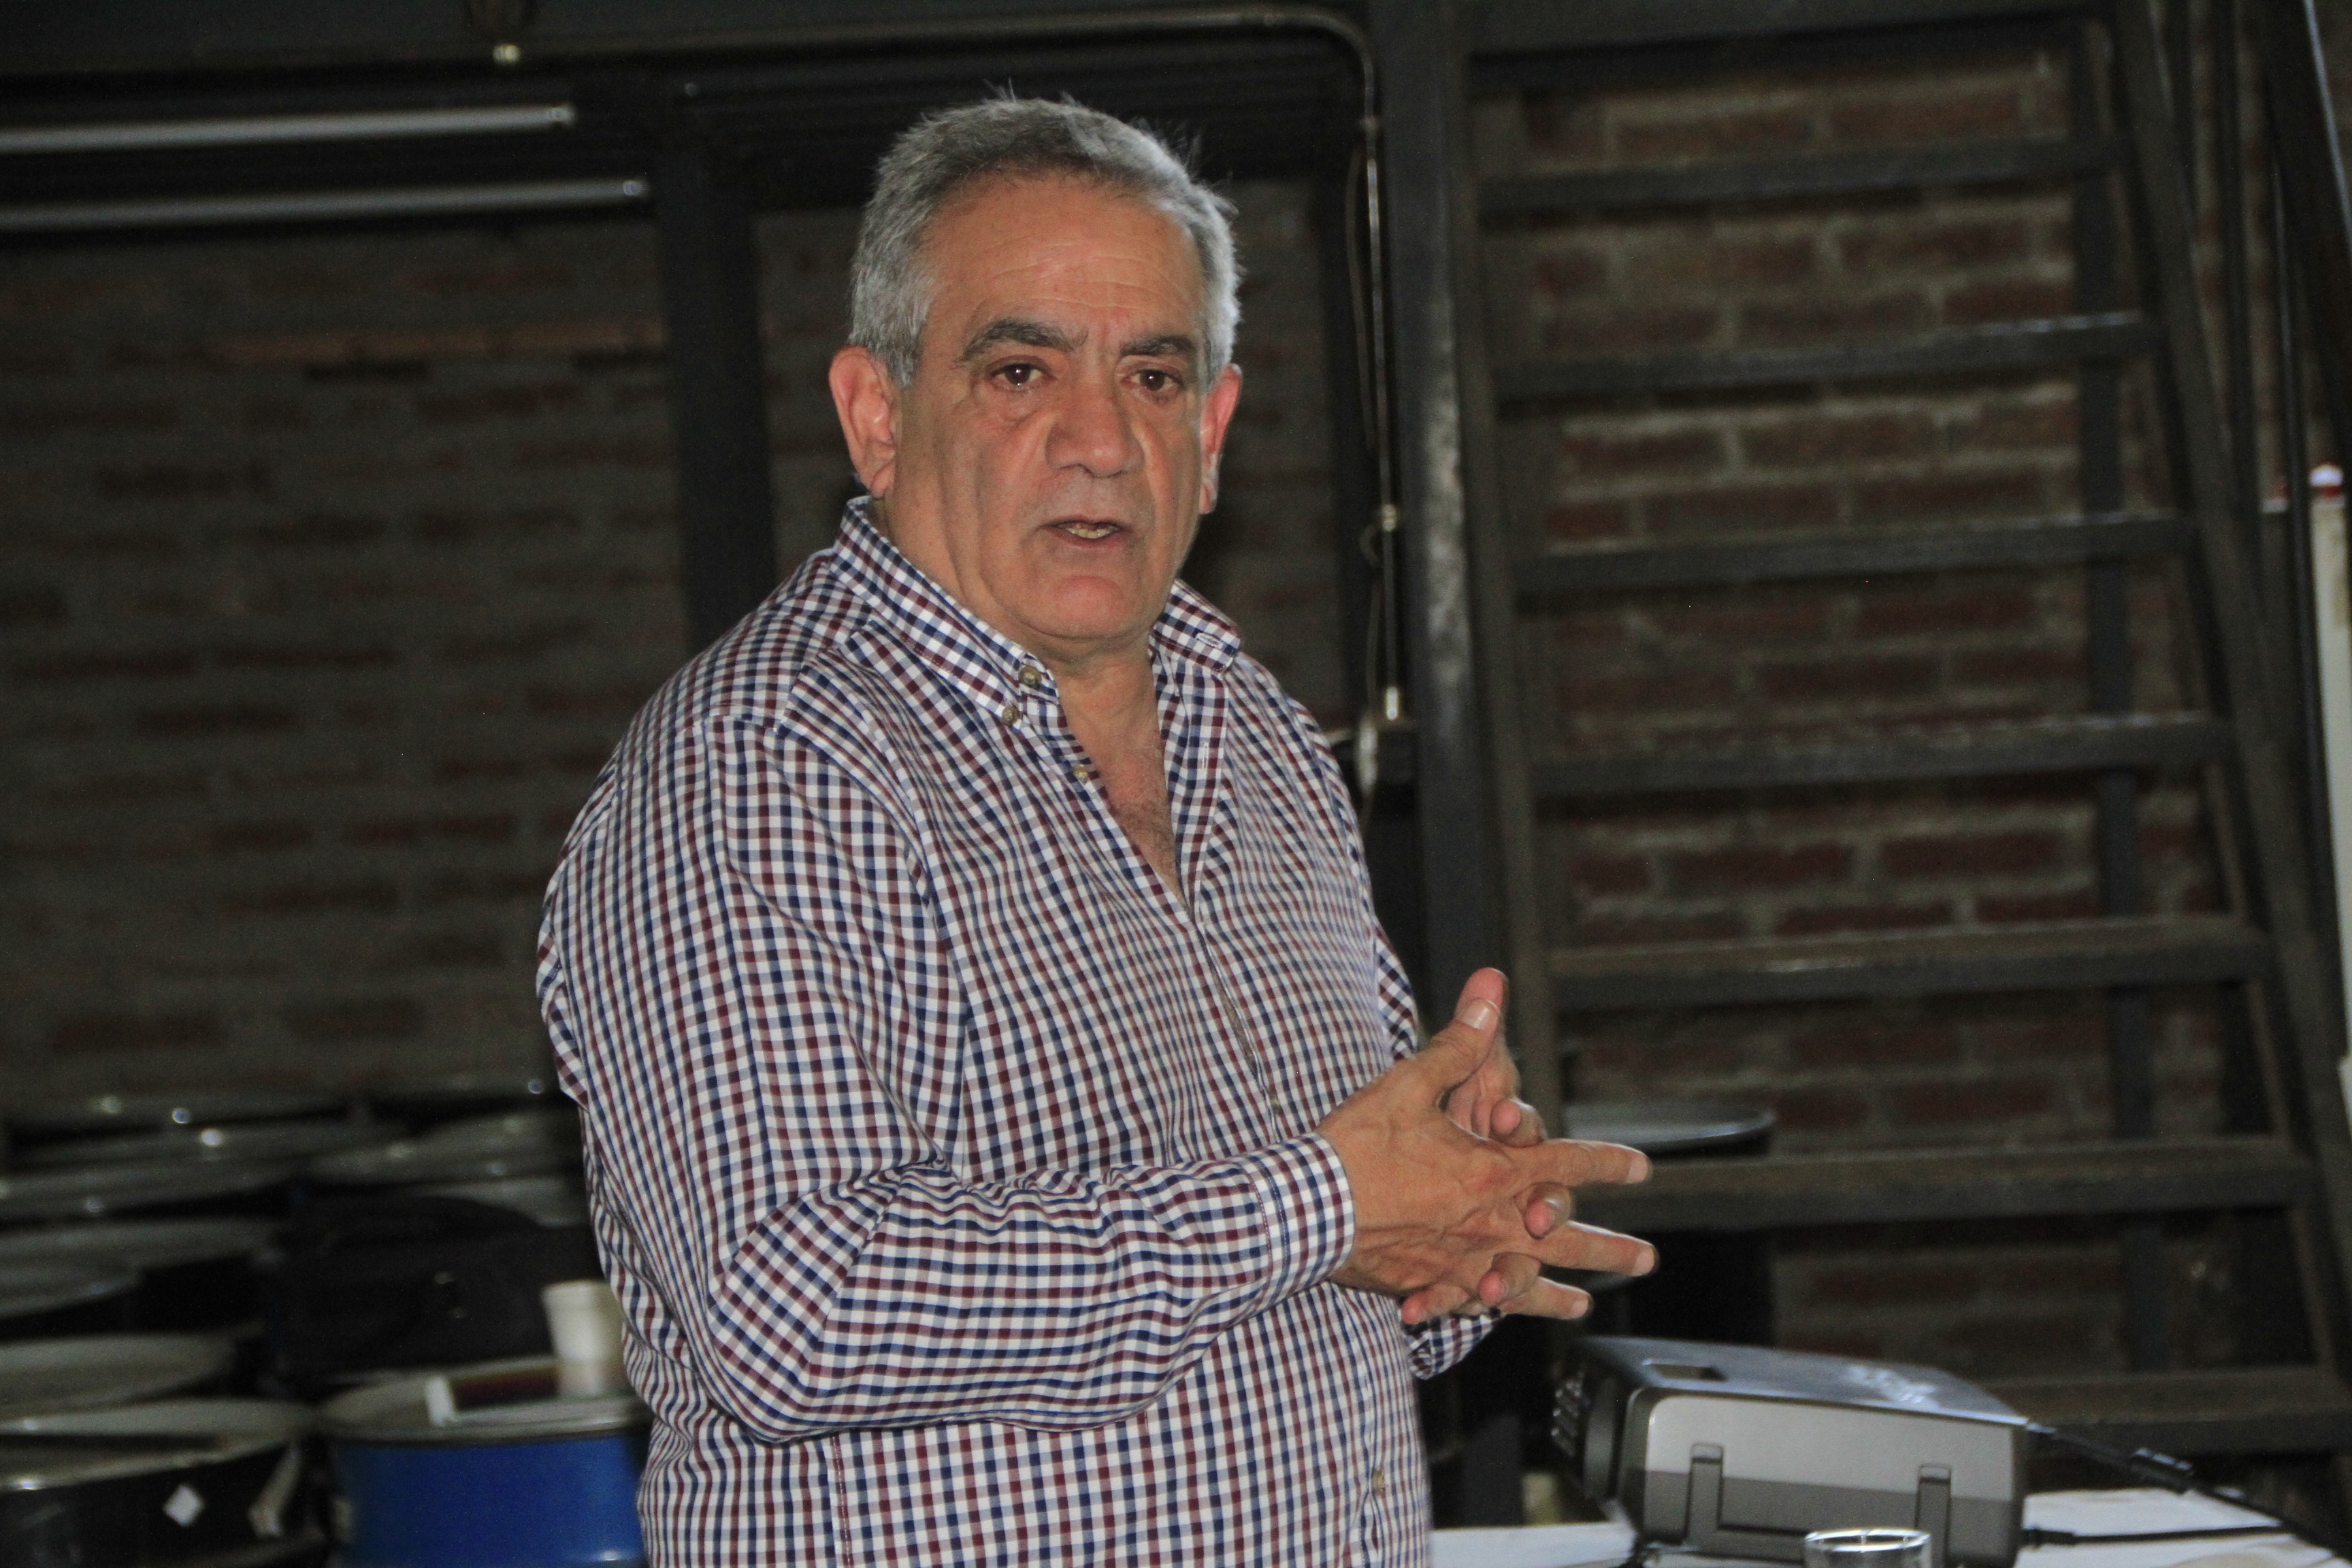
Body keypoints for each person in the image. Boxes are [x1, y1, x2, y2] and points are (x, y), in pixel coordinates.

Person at [537, 96, 1655, 1566]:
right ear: (876, 417)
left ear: (1214, 430)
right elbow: (794, 1309)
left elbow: (1307, 1278)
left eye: (1152, 376)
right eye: (1020, 371)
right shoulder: (757, 768)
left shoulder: (1255, 731)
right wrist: (1323, 1205)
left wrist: (1450, 1226)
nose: (1101, 441)